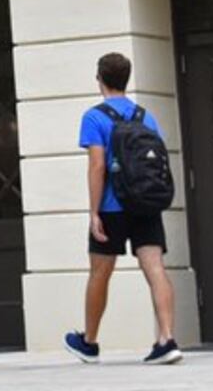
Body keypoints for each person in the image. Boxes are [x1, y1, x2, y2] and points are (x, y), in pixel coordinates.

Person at [65, 52, 181, 365]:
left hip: (111, 208)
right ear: (126, 79)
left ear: (99, 78)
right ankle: (167, 338)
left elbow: (97, 165)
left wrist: (93, 212)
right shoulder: (146, 117)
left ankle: (89, 343)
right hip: (145, 204)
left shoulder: (94, 117)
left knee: (100, 274)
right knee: (155, 269)